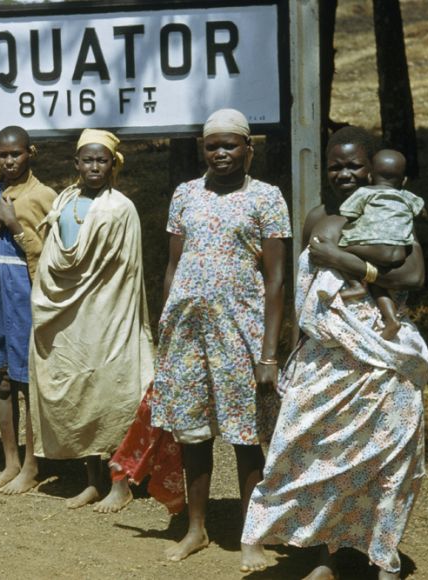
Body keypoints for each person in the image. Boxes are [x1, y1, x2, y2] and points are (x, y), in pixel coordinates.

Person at [240, 126, 428, 580]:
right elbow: (304, 292)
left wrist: (345, 260)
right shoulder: (316, 218)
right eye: (335, 166)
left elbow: (412, 275)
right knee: (318, 457)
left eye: (354, 165)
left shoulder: (389, 211)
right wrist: (290, 355)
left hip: (381, 357)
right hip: (325, 358)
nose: (344, 174)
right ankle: (324, 557)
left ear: (372, 168)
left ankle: (383, 559)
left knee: (388, 460)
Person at [150, 108, 290, 562]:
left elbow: (276, 281)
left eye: (230, 145)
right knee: (192, 433)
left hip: (240, 332)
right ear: (202, 149)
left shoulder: (266, 198)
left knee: (245, 435)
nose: (221, 153)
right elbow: (173, 266)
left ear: (249, 149)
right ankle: (196, 529)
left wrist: (269, 355)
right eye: (213, 146)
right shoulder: (186, 194)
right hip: (187, 334)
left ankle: (252, 537)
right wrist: (165, 326)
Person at [29, 129, 154, 511]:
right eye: (88, 160)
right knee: (80, 393)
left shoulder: (121, 208)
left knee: (111, 394)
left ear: (113, 164)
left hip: (109, 314)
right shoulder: (65, 200)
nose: (94, 167)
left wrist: (113, 311)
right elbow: (54, 255)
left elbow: (128, 270)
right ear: (77, 163)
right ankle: (92, 481)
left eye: (102, 160)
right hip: (70, 316)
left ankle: (120, 483)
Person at [0, 126, 56, 494]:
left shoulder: (44, 196)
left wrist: (15, 224)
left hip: (23, 288)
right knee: (1, 379)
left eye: (16, 154)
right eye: (2, 155)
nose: (9, 161)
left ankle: (32, 465)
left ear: (30, 153)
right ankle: (11, 462)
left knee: (25, 379)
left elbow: (48, 252)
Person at [337, 148, 425, 340]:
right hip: (399, 252)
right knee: (377, 283)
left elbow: (347, 211)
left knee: (340, 249)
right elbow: (421, 211)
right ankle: (391, 320)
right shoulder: (407, 196)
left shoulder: (366, 192)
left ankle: (355, 285)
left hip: (375, 248)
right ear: (404, 181)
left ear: (369, 177)